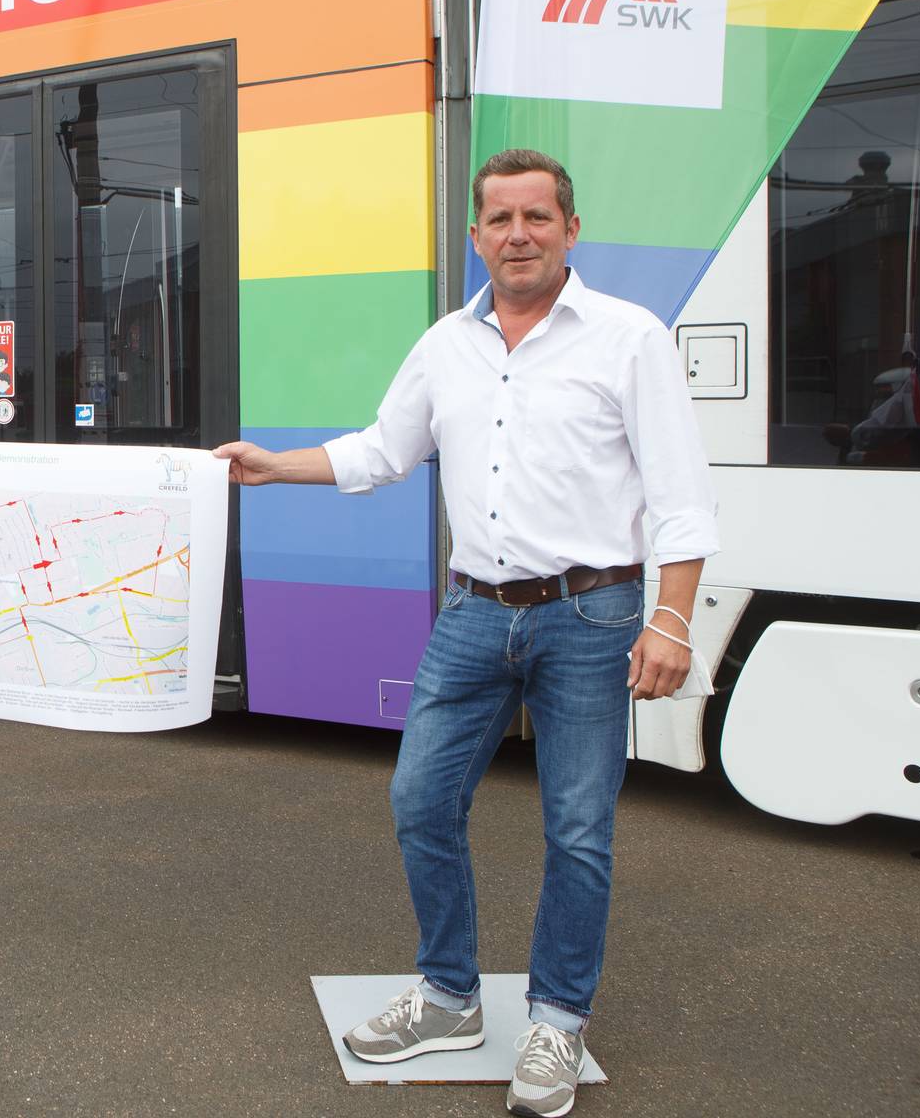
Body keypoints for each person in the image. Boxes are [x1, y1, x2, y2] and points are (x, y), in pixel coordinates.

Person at [214, 149, 717, 1117]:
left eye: (537, 216)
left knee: (579, 827)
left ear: (572, 228)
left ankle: (557, 1018)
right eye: (500, 219)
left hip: (593, 613)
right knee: (420, 799)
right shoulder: (448, 340)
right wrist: (277, 466)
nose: (518, 234)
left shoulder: (628, 337)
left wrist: (671, 618)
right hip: (474, 611)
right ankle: (448, 992)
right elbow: (383, 448)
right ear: (477, 235)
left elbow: (681, 495)